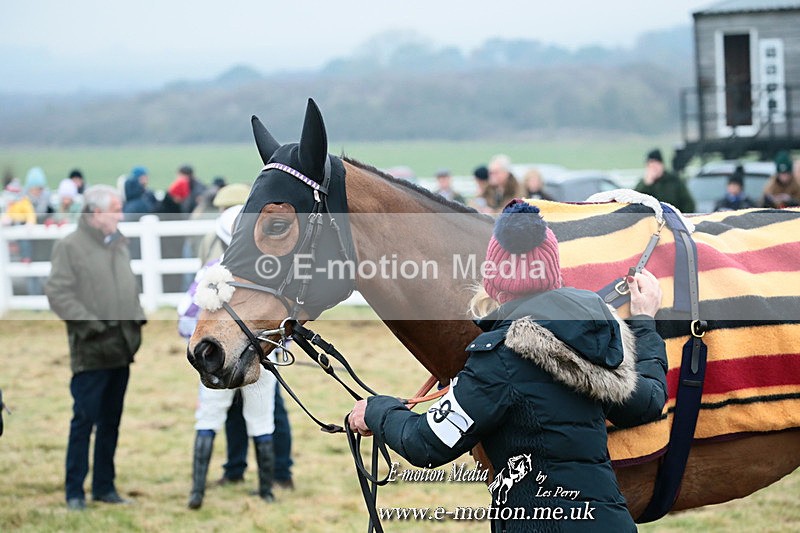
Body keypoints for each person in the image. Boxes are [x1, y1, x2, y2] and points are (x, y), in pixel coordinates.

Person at [349, 200, 668, 532]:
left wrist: (376, 410)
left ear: (493, 279)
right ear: (552, 270)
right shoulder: (595, 327)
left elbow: (426, 443)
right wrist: (644, 322)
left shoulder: (497, 359)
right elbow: (647, 403)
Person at [44, 185, 147, 511]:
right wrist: (92, 326)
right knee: (84, 421)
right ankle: (75, 491)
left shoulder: (118, 243)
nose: (119, 214)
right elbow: (58, 293)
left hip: (120, 349)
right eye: (114, 209)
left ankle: (105, 487)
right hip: (91, 351)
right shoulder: (69, 246)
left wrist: (135, 321)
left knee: (111, 423)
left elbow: (128, 286)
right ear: (94, 213)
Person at [178, 205, 278, 509]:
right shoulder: (270, 271)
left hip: (218, 360)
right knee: (261, 421)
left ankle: (197, 493)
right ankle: (266, 491)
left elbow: (184, 318)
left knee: (208, 418)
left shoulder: (211, 270)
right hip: (259, 359)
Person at [634, 149, 695, 213]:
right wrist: (646, 184)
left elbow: (688, 203)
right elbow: (635, 201)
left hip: (673, 218)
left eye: (655, 165)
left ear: (661, 164)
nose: (653, 168)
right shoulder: (644, 183)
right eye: (650, 166)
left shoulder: (673, 180)